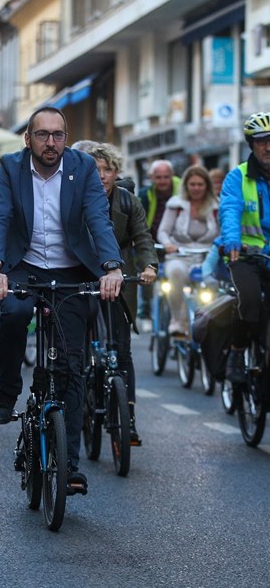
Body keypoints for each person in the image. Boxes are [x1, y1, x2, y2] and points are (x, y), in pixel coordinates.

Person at [0, 107, 124, 495]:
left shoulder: (82, 167)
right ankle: (8, 388)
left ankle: (71, 466)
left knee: (72, 367)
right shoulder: (11, 168)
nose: (51, 143)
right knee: (13, 313)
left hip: (71, 271)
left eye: (58, 135)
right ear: (27, 139)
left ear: (67, 136)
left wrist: (111, 267)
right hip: (23, 266)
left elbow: (98, 218)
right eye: (42, 135)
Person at [86, 142, 158, 445]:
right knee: (78, 349)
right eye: (96, 169)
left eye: (108, 169)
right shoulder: (75, 199)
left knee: (122, 352)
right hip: (83, 280)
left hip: (121, 280)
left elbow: (143, 238)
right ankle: (78, 407)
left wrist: (149, 266)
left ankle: (128, 419)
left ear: (117, 172)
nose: (102, 175)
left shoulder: (128, 202)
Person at [218, 112, 270, 384]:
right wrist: (232, 239)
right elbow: (229, 209)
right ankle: (237, 353)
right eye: (262, 140)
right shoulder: (237, 177)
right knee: (249, 301)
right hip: (246, 255)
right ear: (252, 144)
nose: (268, 146)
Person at [156, 164, 219, 336]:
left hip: (207, 257)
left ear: (207, 185)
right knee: (175, 273)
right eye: (193, 184)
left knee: (217, 285)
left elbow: (223, 233)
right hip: (179, 255)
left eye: (200, 184)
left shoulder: (216, 207)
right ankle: (177, 319)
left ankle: (209, 321)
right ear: (186, 185)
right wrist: (168, 244)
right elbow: (163, 231)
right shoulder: (175, 204)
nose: (196, 188)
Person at [137, 159, 180, 319]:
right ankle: (146, 309)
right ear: (152, 178)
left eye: (166, 177)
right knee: (145, 273)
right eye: (158, 177)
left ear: (172, 176)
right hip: (152, 243)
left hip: (177, 244)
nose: (162, 181)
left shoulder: (183, 190)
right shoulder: (144, 194)